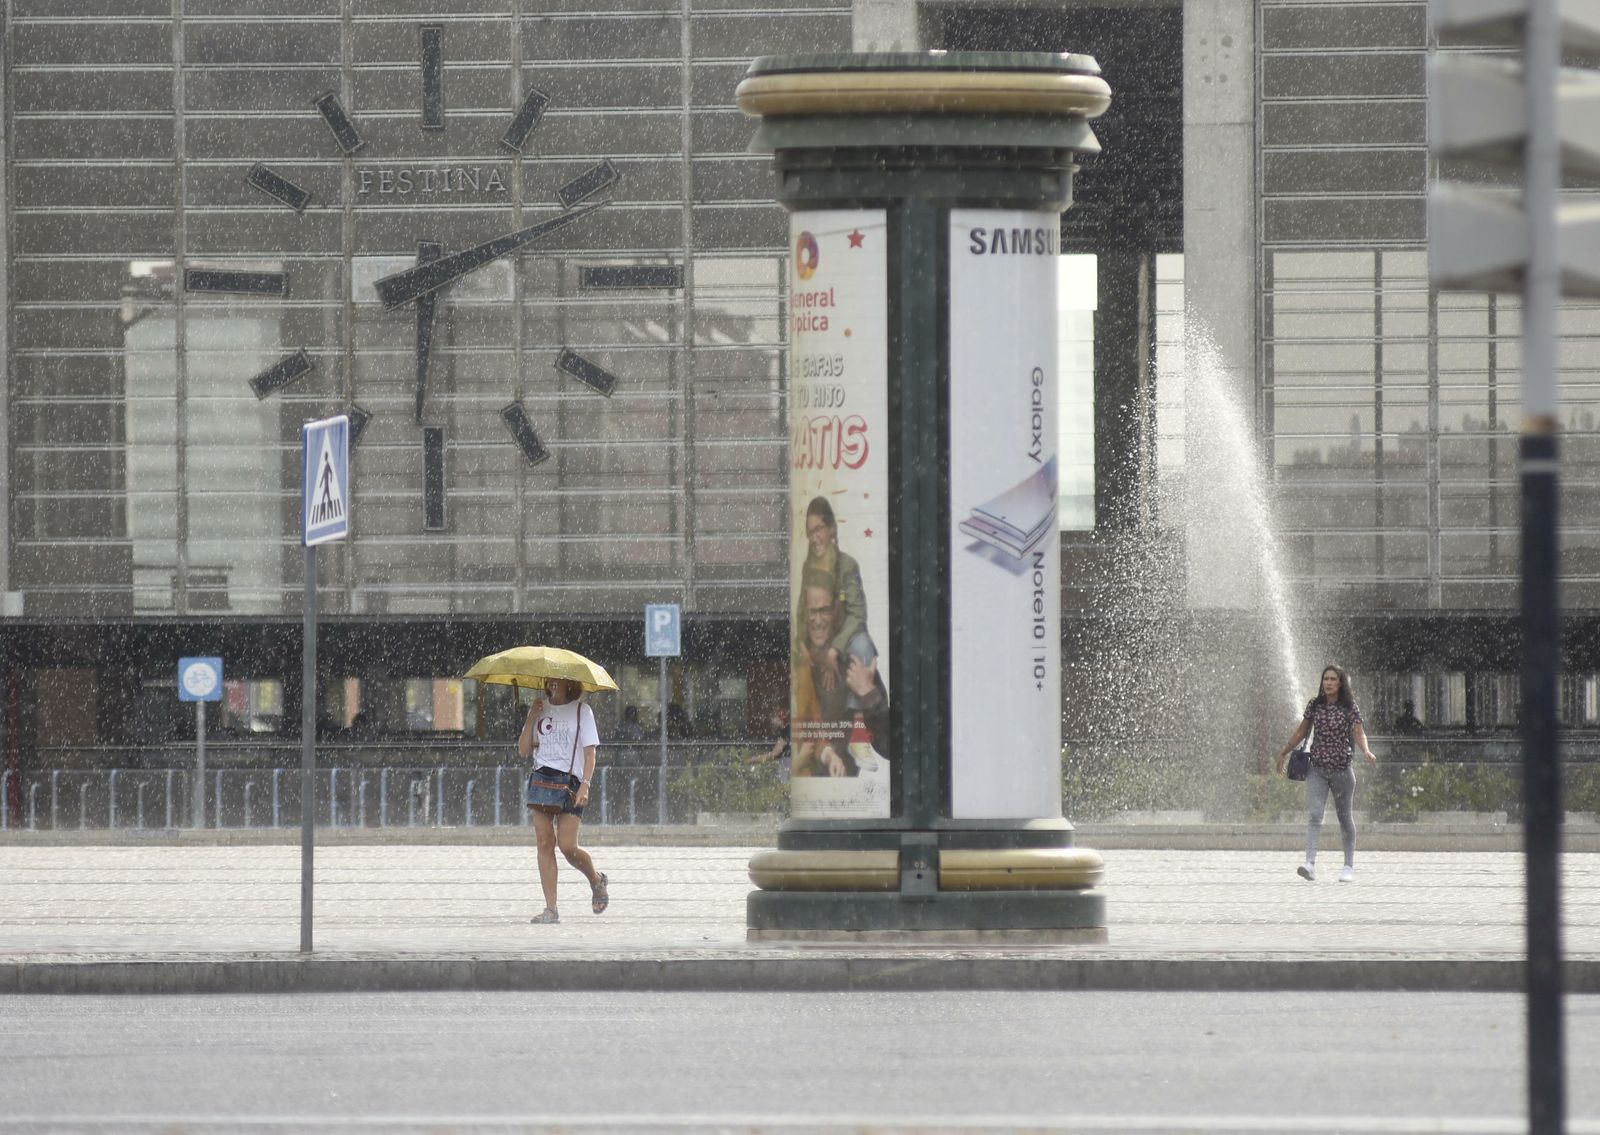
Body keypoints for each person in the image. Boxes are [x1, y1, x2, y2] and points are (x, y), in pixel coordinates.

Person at [1275, 664, 1378, 883]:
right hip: (1317, 769)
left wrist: (1366, 751)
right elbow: (1301, 731)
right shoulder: (1315, 705)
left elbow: (1359, 733)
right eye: (1325, 679)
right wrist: (1283, 752)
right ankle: (1309, 864)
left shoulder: (1349, 706)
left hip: (1342, 770)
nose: (1328, 683)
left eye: (1333, 679)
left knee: (1344, 818)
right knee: (1314, 815)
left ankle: (1348, 866)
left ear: (1340, 682)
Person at [518, 677, 609, 924]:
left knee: (568, 846)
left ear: (570, 682)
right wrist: (531, 716)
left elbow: (590, 754)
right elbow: (524, 750)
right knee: (544, 842)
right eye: (549, 679)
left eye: (558, 679)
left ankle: (596, 879)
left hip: (570, 782)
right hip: (541, 779)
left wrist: (586, 785)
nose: (552, 683)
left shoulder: (582, 711)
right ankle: (551, 908)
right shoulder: (539, 708)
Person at [793, 568, 890, 777]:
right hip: (793, 793)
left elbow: (890, 747)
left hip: (842, 795)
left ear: (836, 613)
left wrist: (868, 694)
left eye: (824, 611)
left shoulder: (855, 667)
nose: (817, 620)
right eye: (812, 611)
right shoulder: (795, 661)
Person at [793, 497, 867, 694]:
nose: (814, 538)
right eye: (810, 532)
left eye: (818, 530)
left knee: (863, 644)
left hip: (842, 649)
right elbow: (801, 610)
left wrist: (835, 650)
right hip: (815, 649)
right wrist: (802, 644)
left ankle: (857, 706)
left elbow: (858, 615)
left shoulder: (847, 566)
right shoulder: (807, 567)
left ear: (831, 529)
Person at [746, 706, 792, 779]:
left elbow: (774, 754)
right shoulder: (785, 731)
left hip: (788, 769)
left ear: (781, 719)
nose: (771, 721)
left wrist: (752, 760)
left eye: (773, 718)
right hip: (787, 767)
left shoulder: (787, 732)